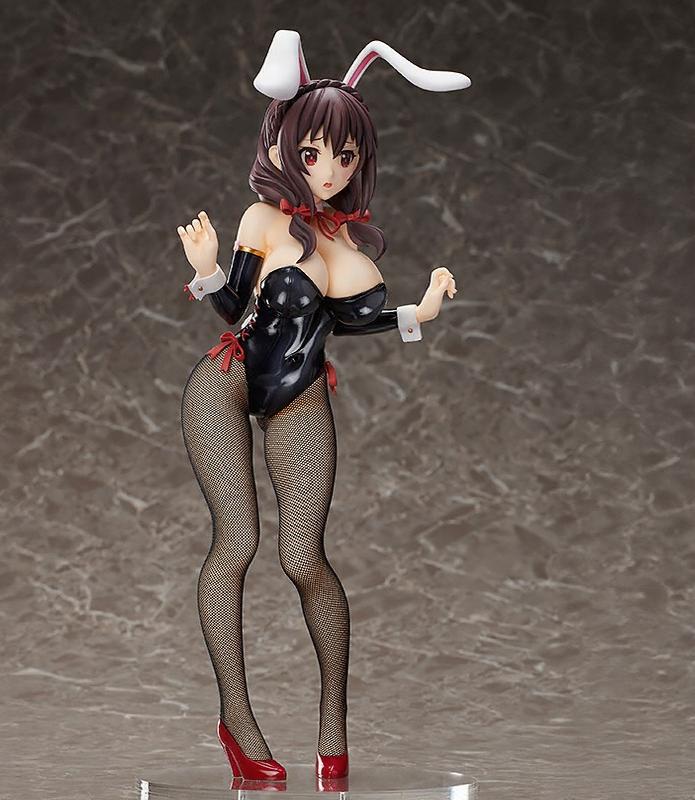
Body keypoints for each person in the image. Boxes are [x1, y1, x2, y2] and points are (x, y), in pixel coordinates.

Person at [177, 31, 470, 783]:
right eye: (312, 153)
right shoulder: (260, 222)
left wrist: (424, 310)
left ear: (359, 159)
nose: (328, 170)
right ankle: (238, 723)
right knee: (236, 542)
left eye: (344, 156)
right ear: (285, 146)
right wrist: (207, 274)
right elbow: (236, 307)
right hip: (227, 377)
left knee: (304, 558)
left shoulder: (351, 258)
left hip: (301, 394)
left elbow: (364, 321)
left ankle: (332, 730)